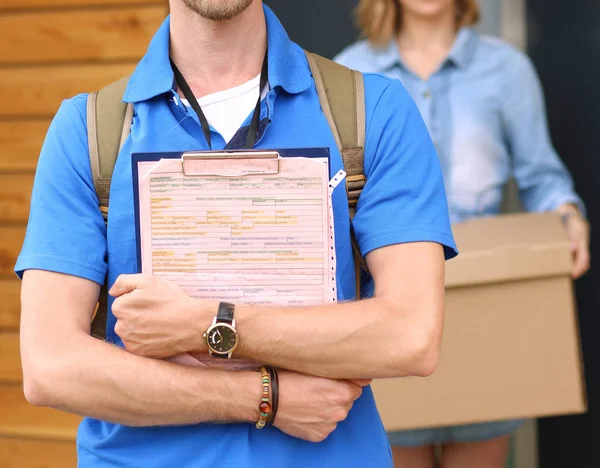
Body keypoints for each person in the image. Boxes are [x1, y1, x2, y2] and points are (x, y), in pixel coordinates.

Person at [16, 1, 458, 467]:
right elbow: (51, 366)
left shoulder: (373, 113)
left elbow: (411, 335)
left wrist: (203, 322)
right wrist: (263, 397)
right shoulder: (87, 133)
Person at [335, 0, 590, 467]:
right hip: (390, 320)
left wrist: (569, 217)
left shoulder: (506, 69)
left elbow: (542, 178)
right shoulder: (349, 73)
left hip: (486, 322)